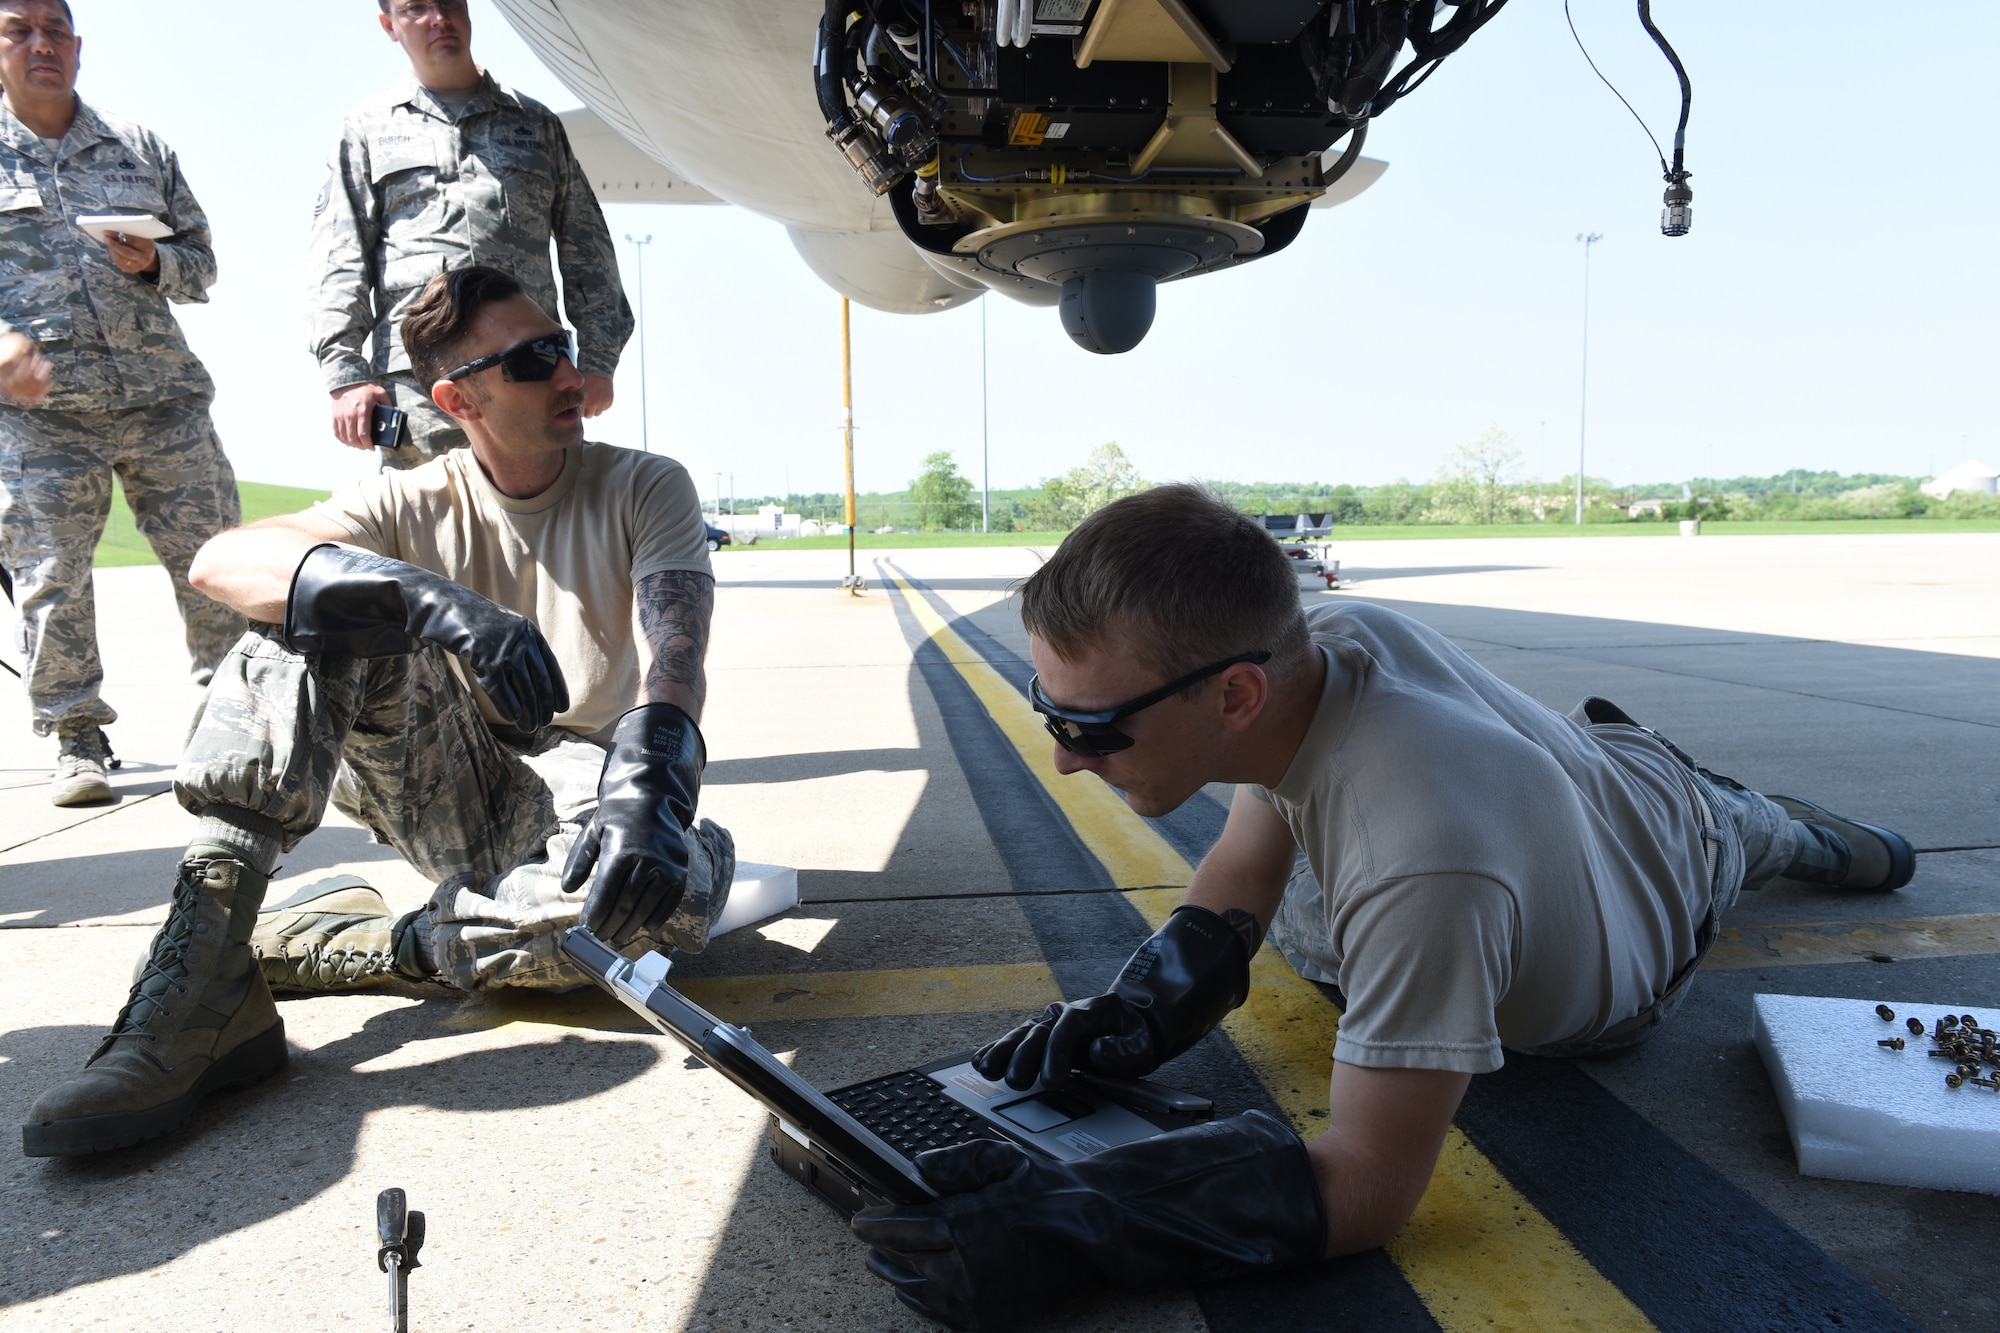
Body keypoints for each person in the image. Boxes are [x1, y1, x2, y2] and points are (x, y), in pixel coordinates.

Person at [851, 484, 1917, 1331]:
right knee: (1321, 926)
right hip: (1568, 778)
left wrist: (1073, 1225)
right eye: (1051, 713)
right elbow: (1246, 861)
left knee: (1744, 829)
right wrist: (1135, 1012)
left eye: (1091, 727)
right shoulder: (1320, 645)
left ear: (1232, 695)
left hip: (1669, 854)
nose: (1062, 758)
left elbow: (1366, 1187)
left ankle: (1798, 827)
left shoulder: (1420, 863)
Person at [21, 265, 732, 1158]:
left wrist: (657, 784)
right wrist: (434, 603)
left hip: (590, 790)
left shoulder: (644, 483)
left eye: (565, 349)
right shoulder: (409, 497)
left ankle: (359, 942)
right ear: (456, 397)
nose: (567, 375)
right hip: (441, 767)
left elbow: (676, 657)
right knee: (318, 605)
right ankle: (199, 969)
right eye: (532, 359)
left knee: (634, 918)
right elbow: (219, 561)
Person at [0, 0, 244, 805]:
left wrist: (155, 264)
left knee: (215, 565)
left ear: (78, 46)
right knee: (51, 578)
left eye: (55, 30)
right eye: (18, 30)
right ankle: (76, 735)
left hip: (163, 400)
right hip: (41, 415)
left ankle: (235, 723)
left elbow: (203, 265)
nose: (41, 45)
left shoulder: (137, 149)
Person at [309, 0, 631, 470]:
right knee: (425, 531)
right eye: (415, 8)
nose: (438, 18)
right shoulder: (367, 129)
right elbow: (339, 257)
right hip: (421, 381)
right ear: (389, 25)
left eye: (448, 2)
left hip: (532, 371)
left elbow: (589, 249)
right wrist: (344, 374)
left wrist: (600, 360)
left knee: (543, 527)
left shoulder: (535, 125)